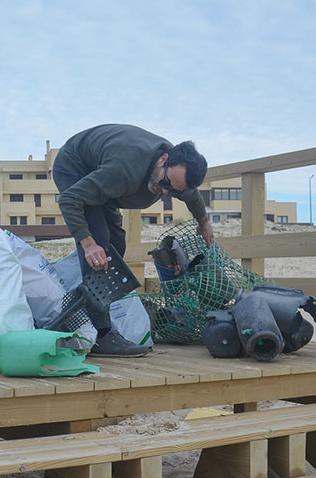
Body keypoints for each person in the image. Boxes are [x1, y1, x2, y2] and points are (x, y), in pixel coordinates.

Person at [53, 124, 214, 357]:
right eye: (166, 184)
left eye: (173, 190)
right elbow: (69, 200)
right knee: (99, 239)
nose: (165, 191)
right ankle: (101, 334)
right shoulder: (124, 169)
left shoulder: (175, 176)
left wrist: (203, 221)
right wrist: (87, 244)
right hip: (74, 166)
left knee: (116, 244)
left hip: (103, 180)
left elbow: (190, 194)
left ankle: (85, 307)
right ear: (163, 159)